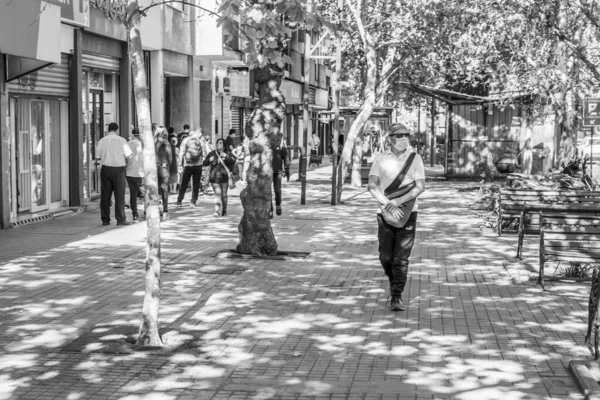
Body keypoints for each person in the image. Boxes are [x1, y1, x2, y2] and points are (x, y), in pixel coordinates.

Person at [368, 123, 425, 312]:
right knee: (386, 257)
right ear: (390, 138)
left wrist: (399, 201)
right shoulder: (381, 158)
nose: (403, 138)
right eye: (399, 135)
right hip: (385, 212)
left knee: (401, 258)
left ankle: (396, 296)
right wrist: (387, 203)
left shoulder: (415, 158)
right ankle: (394, 282)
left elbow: (420, 186)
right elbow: (372, 186)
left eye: (406, 135)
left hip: (408, 212)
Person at [96, 122, 132, 226]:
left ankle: (105, 219)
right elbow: (129, 155)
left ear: (108, 129)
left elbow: (98, 157)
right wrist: (125, 165)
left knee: (105, 196)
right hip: (119, 170)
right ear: (117, 130)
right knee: (119, 195)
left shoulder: (102, 141)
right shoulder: (122, 140)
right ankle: (120, 219)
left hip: (106, 169)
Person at [203, 138, 236, 217]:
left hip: (224, 178)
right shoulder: (212, 153)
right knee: (217, 194)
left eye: (220, 143)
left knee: (224, 195)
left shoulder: (228, 153)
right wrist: (209, 160)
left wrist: (226, 156)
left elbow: (233, 161)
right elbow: (204, 163)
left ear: (224, 145)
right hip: (214, 178)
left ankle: (224, 210)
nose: (218, 144)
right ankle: (217, 211)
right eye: (217, 143)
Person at [177, 128, 206, 207]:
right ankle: (193, 202)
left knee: (184, 184)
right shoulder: (201, 142)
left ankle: (179, 200)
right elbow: (204, 155)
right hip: (198, 165)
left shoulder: (185, 140)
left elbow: (181, 153)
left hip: (187, 165)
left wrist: (180, 164)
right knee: (196, 185)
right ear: (200, 134)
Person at [126, 128, 145, 222]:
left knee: (133, 194)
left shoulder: (128, 144)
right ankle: (148, 210)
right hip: (142, 172)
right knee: (145, 192)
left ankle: (135, 215)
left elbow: (125, 157)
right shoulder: (143, 144)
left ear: (132, 134)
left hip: (129, 172)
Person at [154, 126, 173, 220]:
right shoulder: (166, 143)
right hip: (164, 167)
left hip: (153, 168)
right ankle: (165, 212)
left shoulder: (154, 143)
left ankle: (155, 210)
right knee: (164, 190)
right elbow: (170, 158)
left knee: (155, 191)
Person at [270, 138, 289, 218]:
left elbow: (285, 156)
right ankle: (269, 209)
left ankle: (278, 205)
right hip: (267, 172)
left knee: (277, 190)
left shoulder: (281, 143)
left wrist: (286, 168)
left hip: (278, 171)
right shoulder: (264, 142)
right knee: (267, 191)